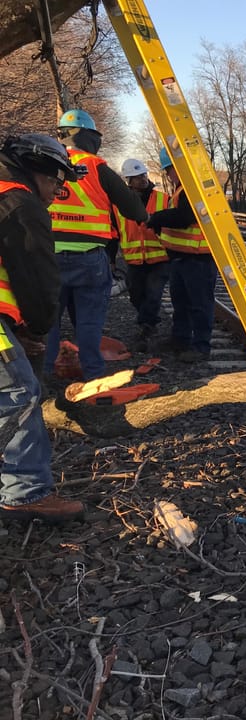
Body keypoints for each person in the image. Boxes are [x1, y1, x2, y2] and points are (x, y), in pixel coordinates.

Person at [0, 133, 85, 523]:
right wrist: (38, 328)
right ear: (37, 171)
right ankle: (25, 493)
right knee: (18, 393)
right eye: (55, 181)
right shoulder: (20, 201)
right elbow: (37, 277)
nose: (56, 191)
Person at [44, 109, 147, 381]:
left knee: (47, 323)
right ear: (89, 136)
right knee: (89, 323)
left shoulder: (42, 163)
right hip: (89, 259)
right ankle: (94, 379)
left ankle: (42, 381)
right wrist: (145, 215)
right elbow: (134, 209)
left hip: (47, 258)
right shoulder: (96, 167)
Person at [145, 147, 217, 363]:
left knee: (200, 304)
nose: (168, 174)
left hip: (198, 258)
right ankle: (181, 339)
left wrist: (156, 218)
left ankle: (201, 347)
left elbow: (185, 216)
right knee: (181, 303)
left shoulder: (192, 189)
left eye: (169, 169)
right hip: (182, 258)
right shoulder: (181, 189)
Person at [117, 158, 171, 352]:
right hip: (134, 258)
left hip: (160, 256)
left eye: (143, 175)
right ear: (128, 181)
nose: (142, 179)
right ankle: (148, 323)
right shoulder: (119, 204)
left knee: (154, 295)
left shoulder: (163, 199)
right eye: (137, 177)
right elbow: (115, 230)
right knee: (136, 295)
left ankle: (147, 327)